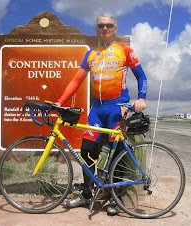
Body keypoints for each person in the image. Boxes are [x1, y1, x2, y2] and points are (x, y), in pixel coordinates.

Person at [55, 13, 147, 215]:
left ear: (115, 28)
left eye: (109, 25)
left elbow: (141, 76)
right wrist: (60, 102)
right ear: (96, 30)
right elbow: (76, 81)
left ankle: (115, 198)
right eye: (101, 26)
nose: (105, 28)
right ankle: (87, 193)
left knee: (117, 152)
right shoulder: (90, 54)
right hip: (96, 110)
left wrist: (141, 98)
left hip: (117, 107)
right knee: (87, 149)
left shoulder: (124, 50)